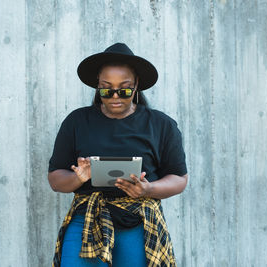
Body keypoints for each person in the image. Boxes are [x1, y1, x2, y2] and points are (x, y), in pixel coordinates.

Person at [48, 43, 188, 267]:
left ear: (136, 86)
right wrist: (79, 178)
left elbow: (180, 178)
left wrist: (148, 189)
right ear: (97, 86)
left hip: (139, 224)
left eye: (124, 89)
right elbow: (55, 179)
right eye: (106, 89)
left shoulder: (161, 125)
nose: (115, 96)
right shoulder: (76, 122)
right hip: (86, 222)